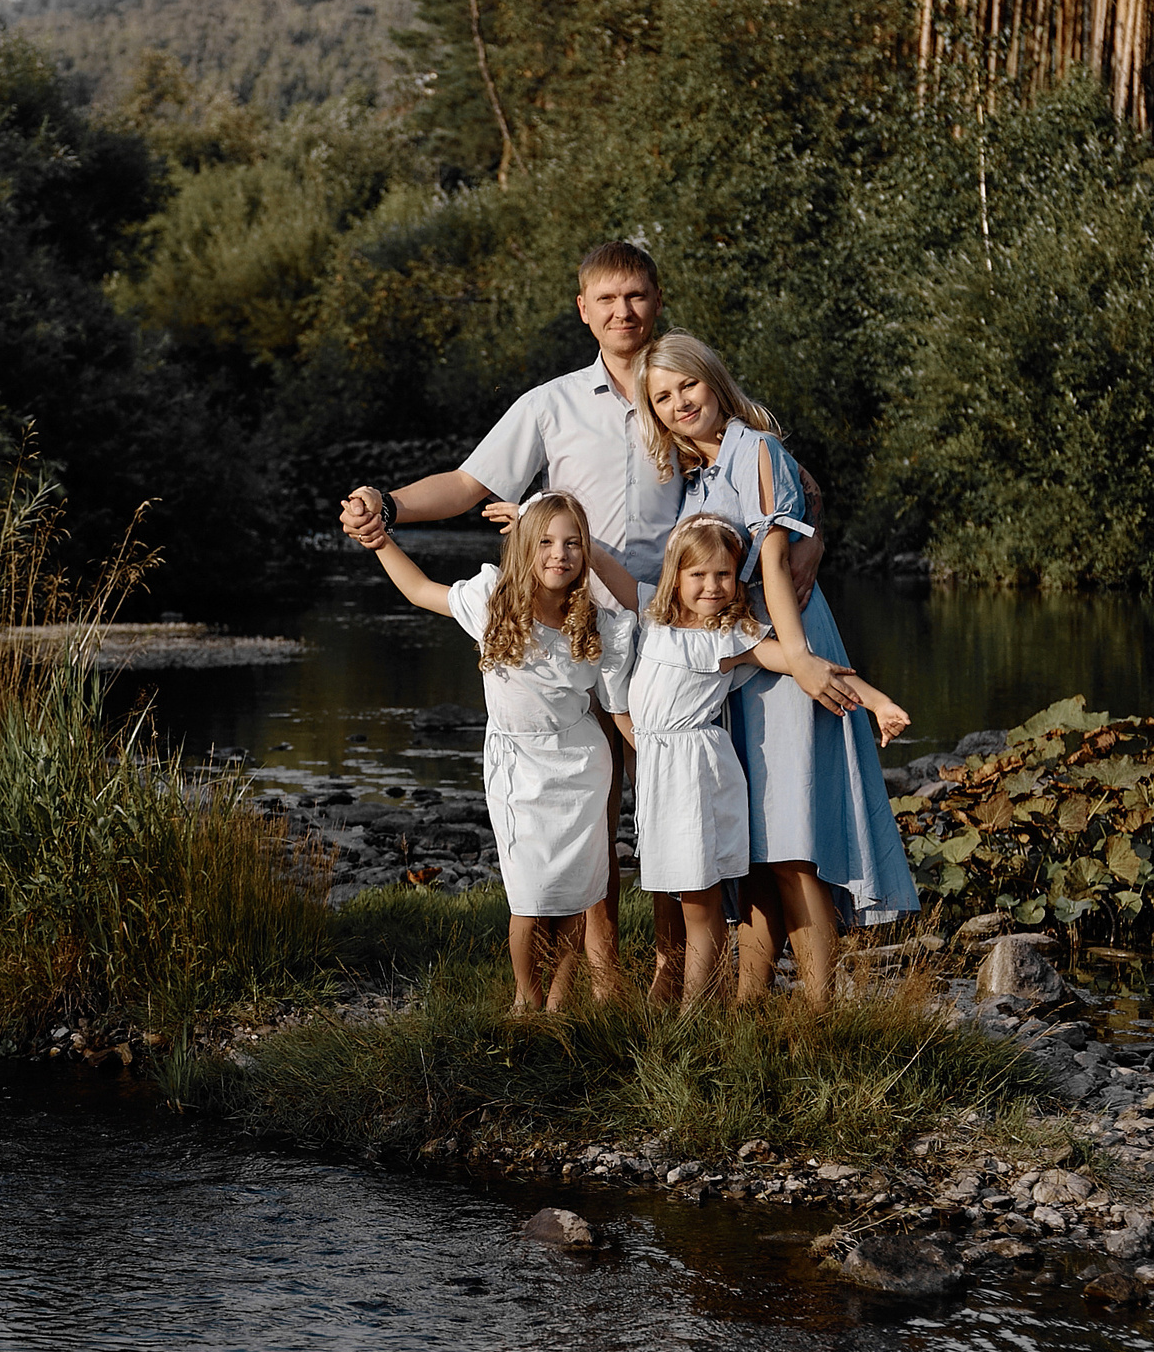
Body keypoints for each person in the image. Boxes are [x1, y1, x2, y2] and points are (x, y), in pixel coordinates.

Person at [337, 241, 826, 999]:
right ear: (583, 311)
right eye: (607, 299)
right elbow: (467, 483)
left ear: (656, 300)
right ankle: (601, 979)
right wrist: (389, 506)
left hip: (673, 634)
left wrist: (812, 539)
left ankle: (672, 972)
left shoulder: (681, 391)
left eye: (635, 296)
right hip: (579, 630)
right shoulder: (551, 404)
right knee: (589, 806)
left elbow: (780, 473)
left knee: (672, 800)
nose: (622, 311)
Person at [636, 333, 920, 1009]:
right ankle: (749, 999)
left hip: (783, 641)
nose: (680, 403)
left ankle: (819, 1009)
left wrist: (800, 659)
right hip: (737, 659)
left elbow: (770, 558)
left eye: (688, 386)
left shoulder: (754, 448)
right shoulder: (698, 473)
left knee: (792, 839)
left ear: (715, 381)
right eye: (663, 397)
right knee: (755, 844)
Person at [607, 515, 910, 1007]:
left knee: (699, 896)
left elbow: (803, 665)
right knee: (683, 892)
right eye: (698, 575)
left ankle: (696, 1009)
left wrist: (877, 702)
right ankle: (704, 1001)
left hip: (695, 776)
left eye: (724, 575)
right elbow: (607, 570)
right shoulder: (653, 617)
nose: (711, 586)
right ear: (675, 576)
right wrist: (535, 515)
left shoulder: (728, 639)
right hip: (660, 777)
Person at [352, 489, 635, 1012]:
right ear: (524, 547)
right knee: (530, 897)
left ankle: (558, 1004)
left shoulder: (599, 624)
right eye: (545, 542)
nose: (560, 554)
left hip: (581, 768)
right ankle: (526, 1000)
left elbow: (619, 709)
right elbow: (419, 590)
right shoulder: (492, 603)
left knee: (576, 896)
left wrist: (656, 757)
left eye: (573, 543)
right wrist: (381, 540)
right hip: (517, 767)